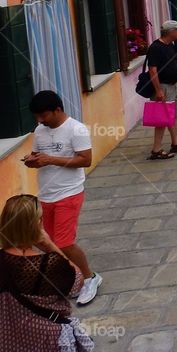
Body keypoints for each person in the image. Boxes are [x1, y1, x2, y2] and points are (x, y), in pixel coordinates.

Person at [20, 91, 101, 305]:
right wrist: (32, 160)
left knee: (64, 242)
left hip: (69, 192)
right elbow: (40, 157)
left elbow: (85, 160)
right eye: (37, 116)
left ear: (58, 109)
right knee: (46, 242)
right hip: (46, 193)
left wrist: (50, 159)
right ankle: (66, 279)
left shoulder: (76, 129)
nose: (40, 120)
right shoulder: (40, 130)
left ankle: (90, 278)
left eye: (44, 115)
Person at [0, 194, 95, 351]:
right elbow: (77, 282)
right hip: (46, 338)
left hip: (8, 339)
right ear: (36, 224)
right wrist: (50, 245)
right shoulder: (48, 264)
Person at [145, 20, 177, 160]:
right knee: (162, 118)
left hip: (171, 85)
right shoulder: (155, 47)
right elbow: (153, 70)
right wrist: (158, 91)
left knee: (172, 116)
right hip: (163, 86)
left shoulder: (170, 45)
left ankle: (175, 143)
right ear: (170, 32)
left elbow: (166, 62)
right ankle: (156, 150)